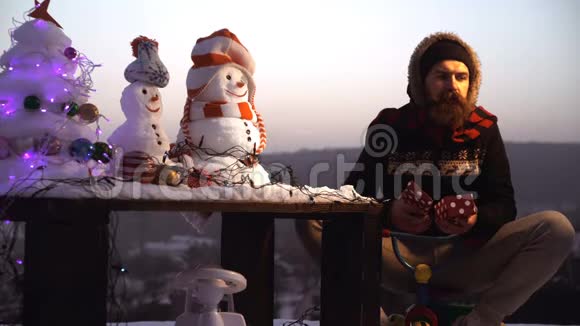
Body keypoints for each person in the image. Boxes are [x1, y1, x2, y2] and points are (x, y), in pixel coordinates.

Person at [295, 32, 575, 326]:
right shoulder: (390, 126)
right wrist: (390, 213)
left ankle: (481, 320)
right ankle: (374, 319)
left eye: (461, 77)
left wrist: (475, 220)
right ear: (421, 80)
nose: (452, 86)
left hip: (466, 256)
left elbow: (504, 206)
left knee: (556, 228)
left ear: (472, 83)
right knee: (315, 217)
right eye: (442, 76)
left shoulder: (485, 129)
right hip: (396, 254)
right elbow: (353, 196)